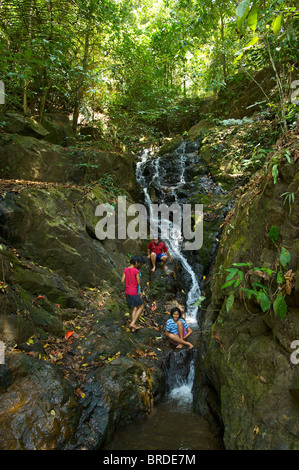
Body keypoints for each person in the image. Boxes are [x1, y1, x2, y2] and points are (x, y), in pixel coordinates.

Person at [121, 256, 144, 331]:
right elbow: (138, 282)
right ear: (136, 262)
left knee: (135, 307)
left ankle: (133, 327)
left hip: (127, 291)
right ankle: (133, 323)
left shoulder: (126, 270)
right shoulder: (136, 271)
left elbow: (122, 280)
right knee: (141, 306)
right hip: (133, 291)